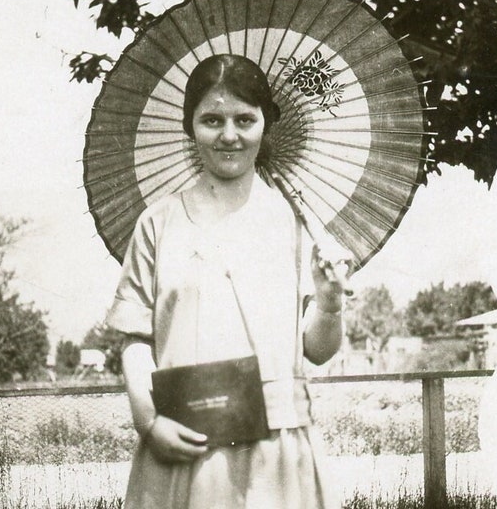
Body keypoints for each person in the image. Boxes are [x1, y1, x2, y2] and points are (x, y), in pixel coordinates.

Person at [106, 54, 349, 509]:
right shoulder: (158, 223)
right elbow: (135, 338)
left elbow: (316, 349)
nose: (230, 135)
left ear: (265, 125)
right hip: (183, 447)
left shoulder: (294, 223)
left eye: (245, 119)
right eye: (212, 120)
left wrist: (330, 301)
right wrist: (149, 423)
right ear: (190, 126)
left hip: (279, 453)